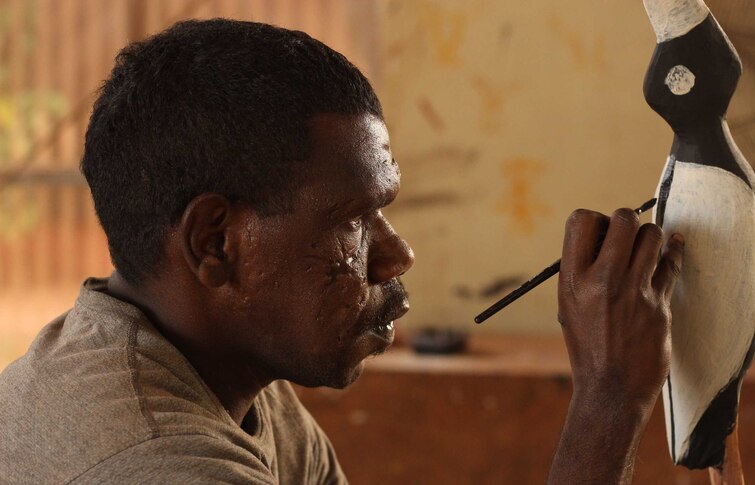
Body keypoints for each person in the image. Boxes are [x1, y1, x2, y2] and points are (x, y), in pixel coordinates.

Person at [0, 19, 684, 484]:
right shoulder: (155, 460)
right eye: (353, 222)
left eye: (382, 211)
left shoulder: (229, 381)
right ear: (216, 243)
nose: (396, 256)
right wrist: (609, 397)